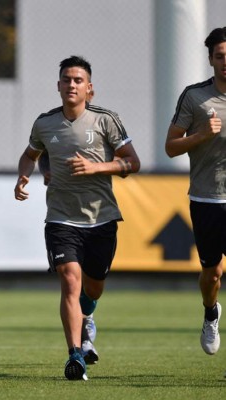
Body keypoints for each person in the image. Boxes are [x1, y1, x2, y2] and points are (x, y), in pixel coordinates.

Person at [14, 55, 140, 380]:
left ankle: (88, 318)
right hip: (60, 218)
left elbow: (132, 163)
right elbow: (31, 155)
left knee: (92, 288)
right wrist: (26, 175)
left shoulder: (106, 121)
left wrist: (97, 167)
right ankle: (75, 356)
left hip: (102, 219)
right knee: (70, 280)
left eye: (78, 80)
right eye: (67, 80)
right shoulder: (45, 123)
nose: (72, 85)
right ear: (58, 85)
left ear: (89, 88)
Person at [165, 27, 226, 356]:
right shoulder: (195, 97)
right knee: (212, 273)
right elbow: (171, 147)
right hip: (207, 198)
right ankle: (210, 312)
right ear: (210, 59)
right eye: (220, 57)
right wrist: (201, 134)